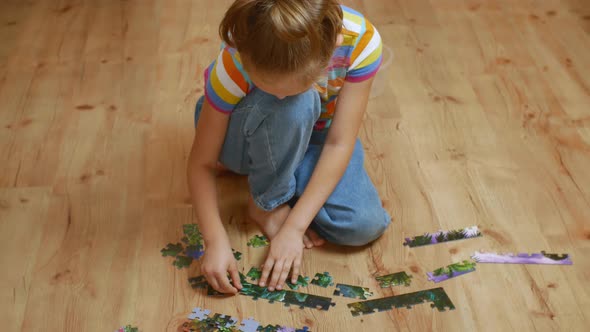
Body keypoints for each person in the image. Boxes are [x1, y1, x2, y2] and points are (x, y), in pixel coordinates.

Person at [187, 0, 391, 295]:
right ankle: (266, 204)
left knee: (363, 224)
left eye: (293, 86)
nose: (280, 96)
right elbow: (200, 163)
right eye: (268, 87)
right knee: (293, 107)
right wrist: (215, 241)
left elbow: (339, 142)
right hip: (240, 131)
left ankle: (283, 180)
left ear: (330, 51)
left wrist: (295, 228)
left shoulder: (360, 43)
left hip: (314, 135)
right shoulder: (235, 59)